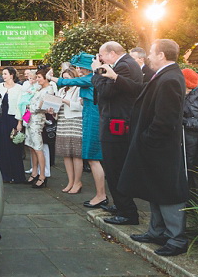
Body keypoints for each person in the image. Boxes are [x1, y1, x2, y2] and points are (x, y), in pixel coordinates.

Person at [119, 39, 189, 256]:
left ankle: (177, 239)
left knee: (168, 192)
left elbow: (165, 120)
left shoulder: (170, 79)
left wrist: (148, 139)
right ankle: (157, 232)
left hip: (161, 148)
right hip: (155, 147)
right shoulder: (165, 75)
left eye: (151, 53)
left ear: (161, 55)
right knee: (155, 189)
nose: (148, 56)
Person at [92, 41, 144, 225]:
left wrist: (96, 72)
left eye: (102, 55)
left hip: (117, 125)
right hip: (117, 122)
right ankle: (121, 205)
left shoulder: (124, 66)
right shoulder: (126, 64)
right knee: (116, 167)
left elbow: (106, 91)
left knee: (115, 168)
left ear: (112, 53)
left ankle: (127, 212)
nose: (100, 59)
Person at [57, 53, 107, 209]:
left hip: (92, 116)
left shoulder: (91, 77)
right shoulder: (92, 77)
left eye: (79, 67)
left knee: (93, 158)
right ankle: (100, 194)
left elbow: (71, 81)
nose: (77, 69)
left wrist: (52, 78)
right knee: (91, 158)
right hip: (88, 116)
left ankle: (101, 195)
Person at [22, 65, 56, 188]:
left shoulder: (49, 90)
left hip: (37, 121)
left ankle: (43, 175)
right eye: (37, 77)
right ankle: (35, 172)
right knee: (31, 147)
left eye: (39, 77)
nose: (37, 79)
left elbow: (45, 107)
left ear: (46, 78)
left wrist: (31, 108)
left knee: (38, 147)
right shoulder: (40, 89)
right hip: (30, 119)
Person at [0, 67, 26, 183]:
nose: (3, 76)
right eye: (3, 74)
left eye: (6, 74)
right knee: (1, 146)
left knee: (13, 147)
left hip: (13, 119)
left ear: (12, 75)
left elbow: (21, 106)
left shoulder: (19, 89)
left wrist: (19, 122)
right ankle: (3, 175)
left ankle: (16, 175)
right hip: (1, 118)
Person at [53, 68, 84, 194]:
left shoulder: (79, 89)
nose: (65, 81)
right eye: (63, 78)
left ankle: (78, 181)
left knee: (76, 153)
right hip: (62, 121)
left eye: (68, 78)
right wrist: (52, 109)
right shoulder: (61, 90)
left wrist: (64, 101)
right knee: (66, 153)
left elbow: (80, 106)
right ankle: (70, 181)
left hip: (74, 122)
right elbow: (56, 106)